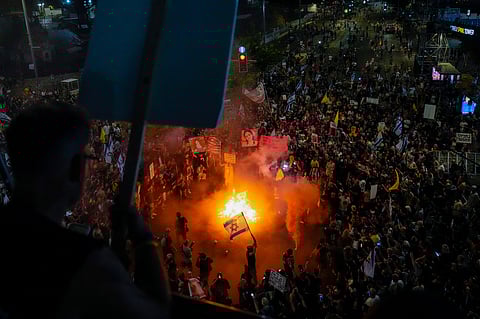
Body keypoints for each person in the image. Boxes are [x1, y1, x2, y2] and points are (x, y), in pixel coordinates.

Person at [0, 101, 169, 318]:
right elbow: (158, 313)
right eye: (86, 159)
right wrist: (144, 239)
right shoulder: (84, 261)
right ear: (73, 169)